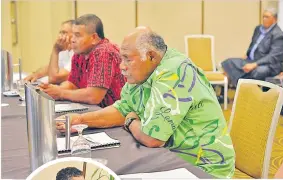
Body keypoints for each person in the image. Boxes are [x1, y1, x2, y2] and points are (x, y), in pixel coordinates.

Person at [57, 27, 235, 178]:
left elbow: (152, 138)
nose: (122, 66)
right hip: (171, 157)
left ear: (150, 56)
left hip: (203, 168)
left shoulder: (173, 72)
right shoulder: (142, 73)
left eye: (128, 58)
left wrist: (131, 122)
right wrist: (81, 120)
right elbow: (123, 108)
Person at [40, 14, 125, 107]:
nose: (72, 40)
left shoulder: (103, 52)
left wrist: (60, 93)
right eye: (72, 35)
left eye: (77, 35)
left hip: (118, 114)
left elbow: (94, 96)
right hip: (98, 109)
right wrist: (51, 90)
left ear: (94, 38)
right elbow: (73, 84)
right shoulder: (80, 53)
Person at [221, 7, 283, 87]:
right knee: (229, 62)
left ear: (274, 19)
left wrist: (255, 64)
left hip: (269, 65)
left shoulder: (279, 35)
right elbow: (253, 45)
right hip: (252, 60)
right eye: (263, 16)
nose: (264, 19)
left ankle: (243, 89)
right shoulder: (258, 29)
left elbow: (273, 57)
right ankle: (238, 87)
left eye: (267, 17)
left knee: (257, 71)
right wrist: (247, 55)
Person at [24, 20, 75, 84]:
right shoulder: (64, 49)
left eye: (64, 33)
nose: (60, 36)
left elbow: (54, 78)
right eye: (60, 33)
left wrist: (55, 50)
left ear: (74, 35)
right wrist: (36, 75)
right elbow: (51, 67)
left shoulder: (78, 53)